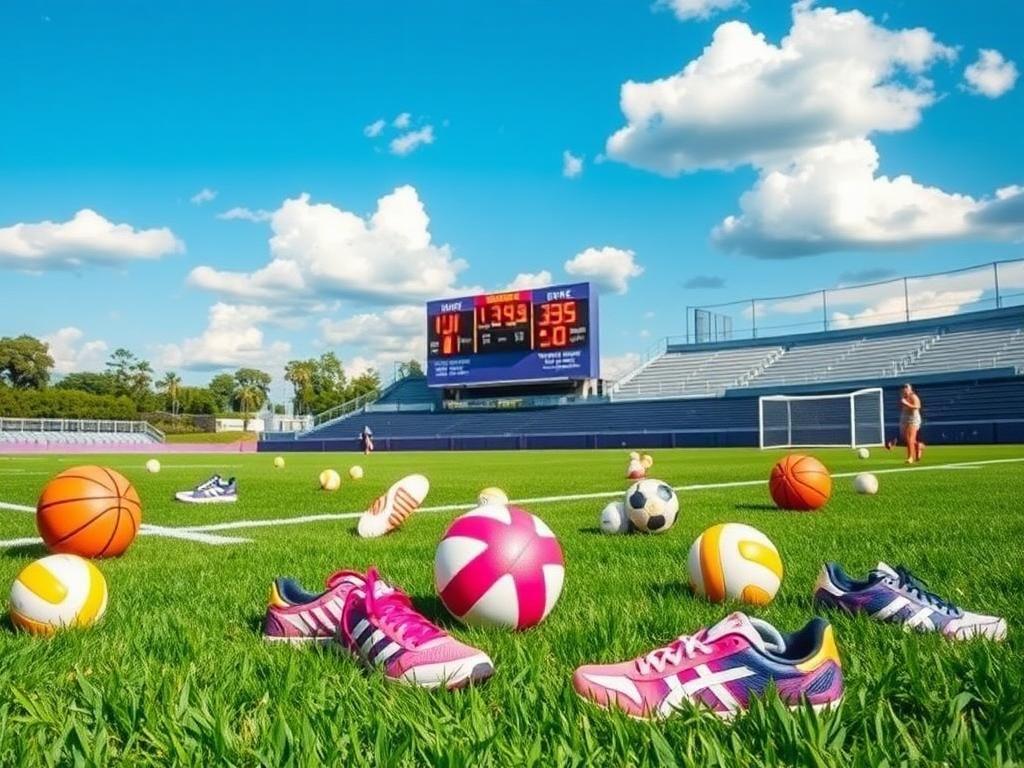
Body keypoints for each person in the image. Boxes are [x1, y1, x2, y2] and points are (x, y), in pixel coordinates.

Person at [888, 383, 925, 463]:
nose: (905, 390)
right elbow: (901, 407)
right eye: (903, 388)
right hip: (904, 418)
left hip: (913, 418)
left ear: (910, 389)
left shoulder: (914, 397)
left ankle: (910, 457)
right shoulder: (903, 397)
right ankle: (919, 445)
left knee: (910, 438)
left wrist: (906, 403)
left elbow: (917, 406)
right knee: (905, 438)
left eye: (907, 388)